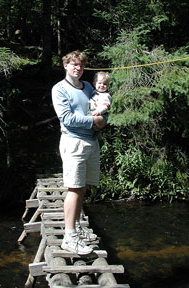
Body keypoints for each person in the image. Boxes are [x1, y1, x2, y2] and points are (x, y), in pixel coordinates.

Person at [52, 50, 107, 255]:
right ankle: (69, 237)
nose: (78, 68)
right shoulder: (59, 89)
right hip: (73, 142)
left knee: (83, 187)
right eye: (74, 64)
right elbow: (66, 118)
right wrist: (94, 122)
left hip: (92, 142)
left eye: (81, 66)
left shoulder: (89, 87)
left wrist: (103, 121)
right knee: (74, 188)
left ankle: (76, 228)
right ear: (65, 66)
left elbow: (102, 110)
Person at [89, 71, 112, 139]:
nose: (102, 85)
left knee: (96, 128)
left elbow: (106, 106)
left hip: (101, 114)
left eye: (105, 84)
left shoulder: (106, 95)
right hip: (92, 112)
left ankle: (99, 138)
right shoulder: (93, 93)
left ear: (107, 86)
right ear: (94, 83)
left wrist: (99, 111)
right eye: (100, 83)